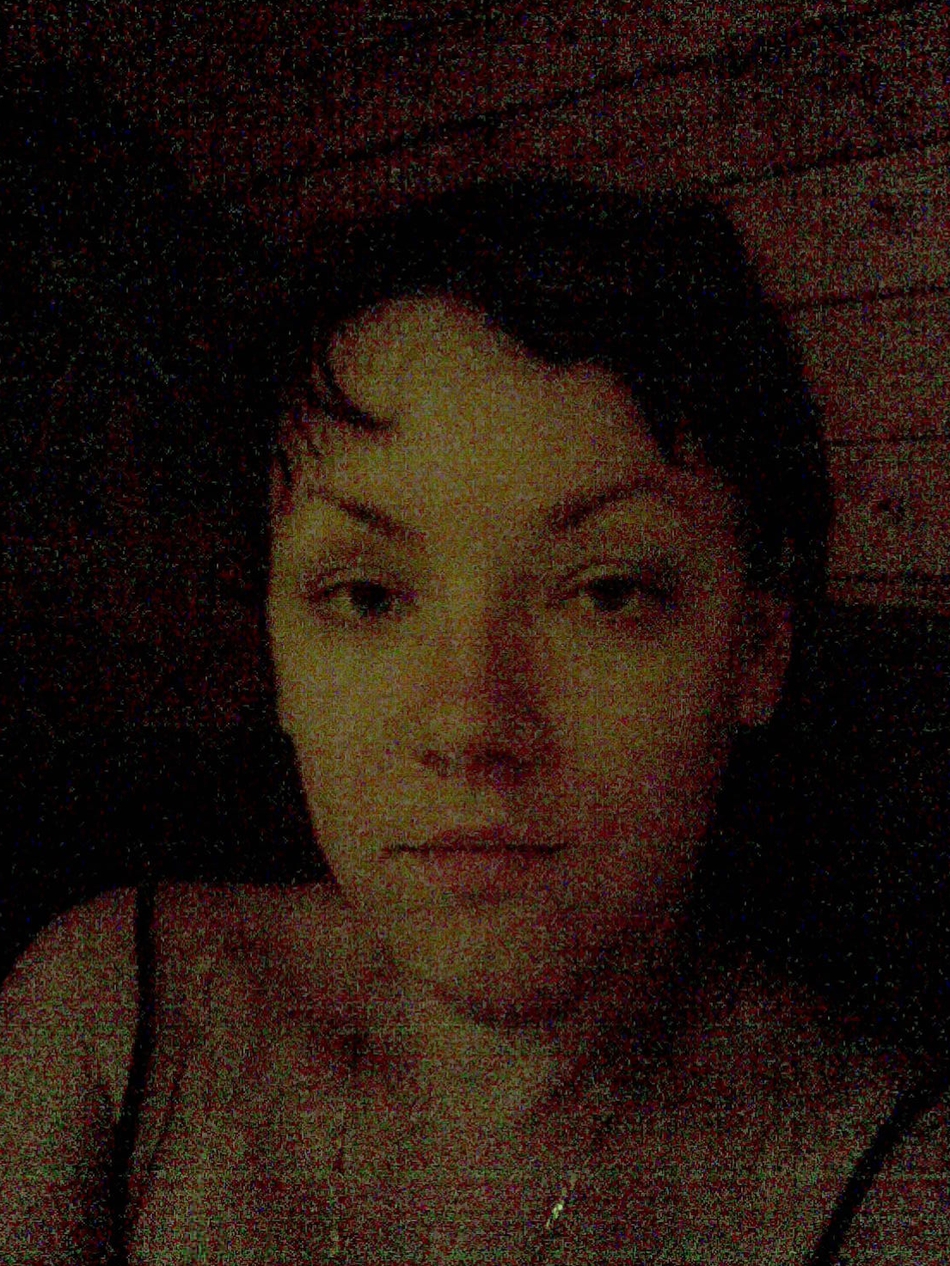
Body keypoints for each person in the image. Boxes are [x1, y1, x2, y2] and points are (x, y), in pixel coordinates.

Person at [0, 178, 947, 1264]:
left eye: (607, 593)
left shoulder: (895, 1192)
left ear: (757, 651)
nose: (469, 728)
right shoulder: (105, 1014)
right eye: (365, 596)